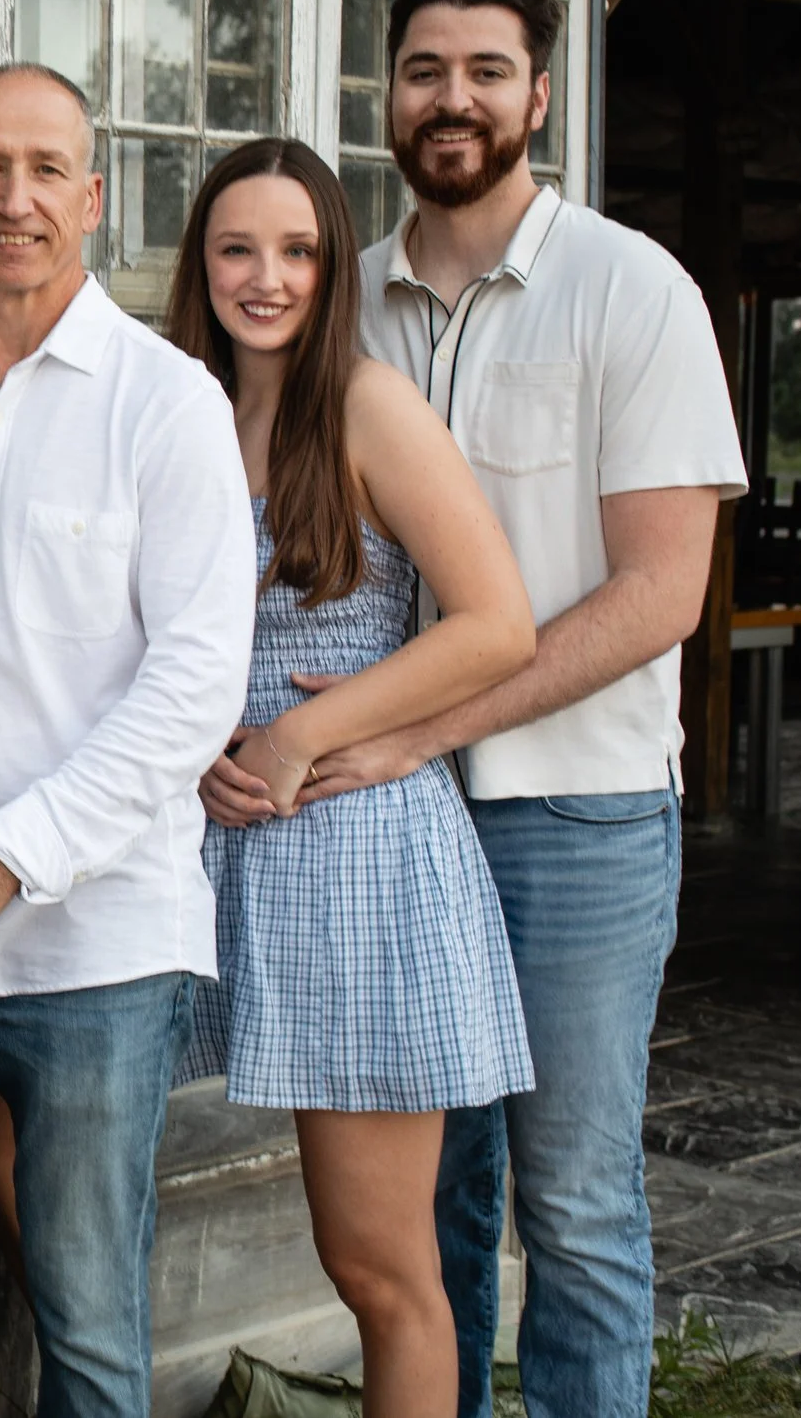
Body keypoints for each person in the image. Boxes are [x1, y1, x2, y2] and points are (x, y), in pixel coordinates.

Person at [308, 0, 744, 1418]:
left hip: (577, 818)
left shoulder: (636, 290)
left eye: (488, 71)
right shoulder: (340, 305)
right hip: (382, 812)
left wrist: (420, 727)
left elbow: (658, 595)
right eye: (426, 69)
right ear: (389, 93)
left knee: (577, 1206)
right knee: (437, 1209)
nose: (454, 98)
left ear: (540, 95)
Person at [0, 63, 257, 1417]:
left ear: (92, 198)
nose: (16, 198)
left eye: (46, 170)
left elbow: (194, 685)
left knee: (85, 1315)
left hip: (92, 941)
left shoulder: (170, 400)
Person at [169, 138, 537, 1418]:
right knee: (4, 1123)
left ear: (333, 266)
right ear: (197, 261)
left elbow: (495, 622)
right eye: (235, 247)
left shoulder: (368, 404)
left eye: (297, 250)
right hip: (191, 839)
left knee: (378, 1263)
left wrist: (294, 741)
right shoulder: (178, 407)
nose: (264, 278)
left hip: (351, 846)